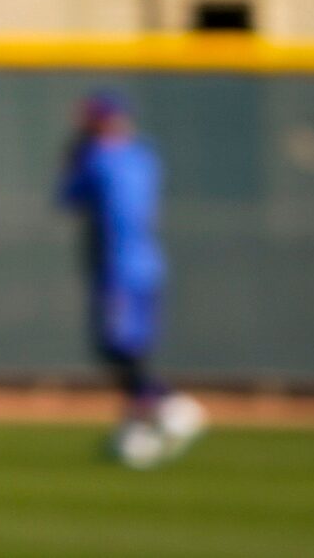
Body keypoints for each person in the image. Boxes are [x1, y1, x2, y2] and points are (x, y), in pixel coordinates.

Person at [57, 90, 206, 468]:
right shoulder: (143, 155)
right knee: (130, 349)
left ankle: (170, 404)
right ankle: (137, 432)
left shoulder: (98, 159)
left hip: (118, 270)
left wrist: (75, 156)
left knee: (118, 348)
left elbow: (68, 198)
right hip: (147, 266)